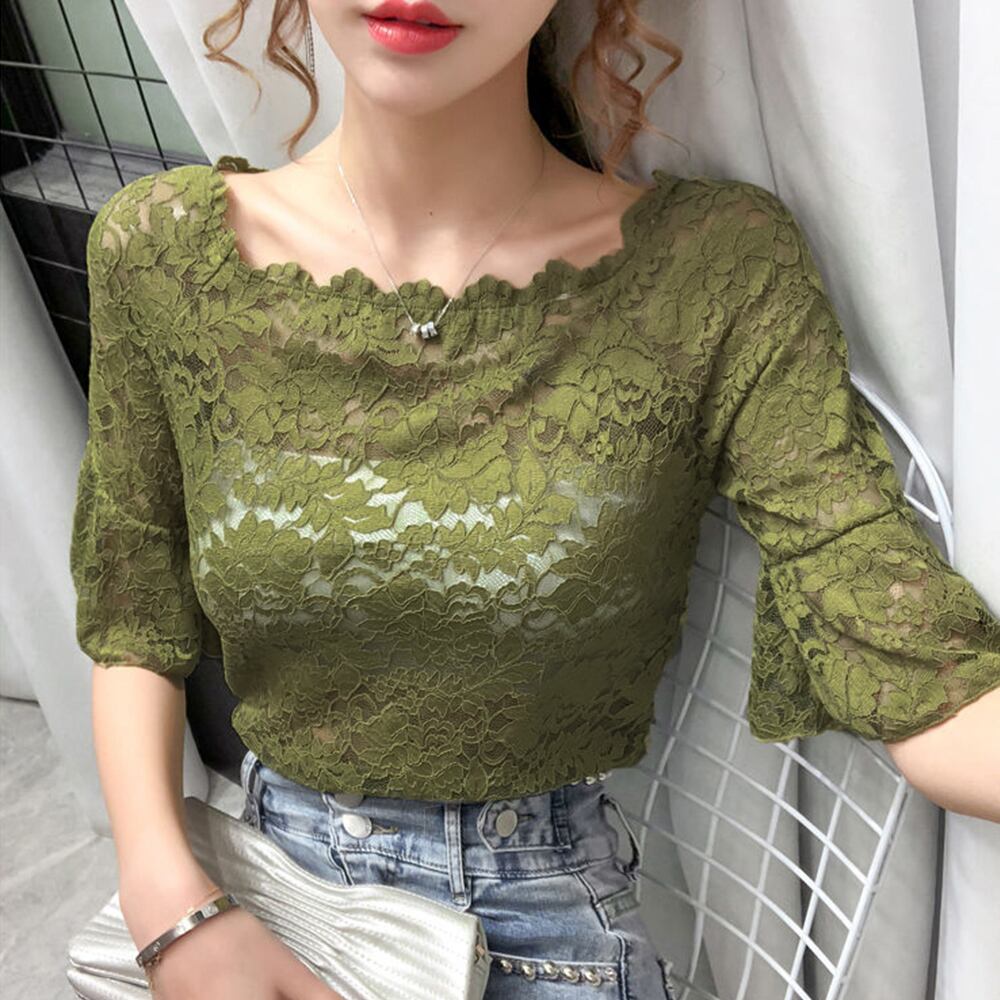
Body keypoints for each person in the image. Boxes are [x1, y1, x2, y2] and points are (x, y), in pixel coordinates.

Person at [68, 1, 1000, 998]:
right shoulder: (164, 256)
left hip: (550, 939)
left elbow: (884, 627)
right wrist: (169, 903)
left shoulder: (710, 272)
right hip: (263, 907)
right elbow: (133, 618)